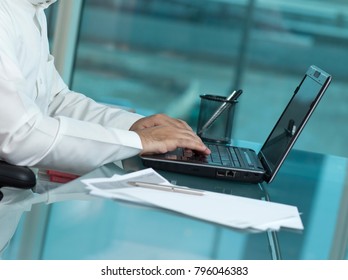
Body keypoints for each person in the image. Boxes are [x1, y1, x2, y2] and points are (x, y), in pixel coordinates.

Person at [0, 0, 210, 175]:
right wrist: (137, 141)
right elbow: (20, 135)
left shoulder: (32, 9)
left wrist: (134, 126)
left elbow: (54, 100)